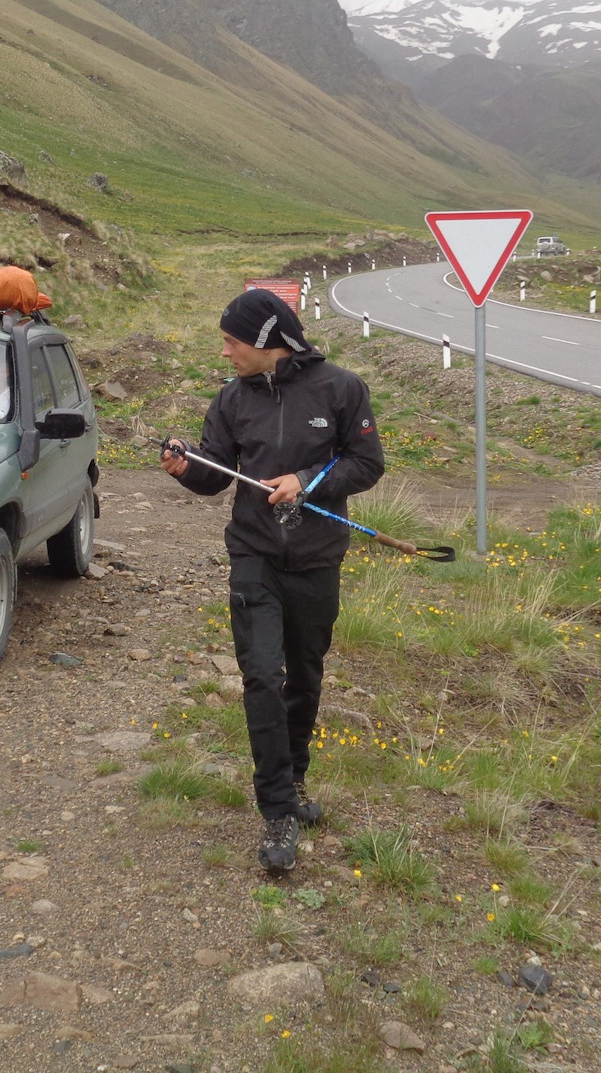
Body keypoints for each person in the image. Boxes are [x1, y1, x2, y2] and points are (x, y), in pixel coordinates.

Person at [161, 288, 384, 871]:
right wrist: (187, 470)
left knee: (304, 677)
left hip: (316, 559)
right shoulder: (232, 400)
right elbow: (213, 477)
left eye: (233, 340)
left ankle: (297, 780)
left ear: (266, 341)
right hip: (254, 556)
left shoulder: (341, 389)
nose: (226, 351)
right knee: (262, 674)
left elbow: (366, 464)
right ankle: (278, 810)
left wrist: (307, 480)